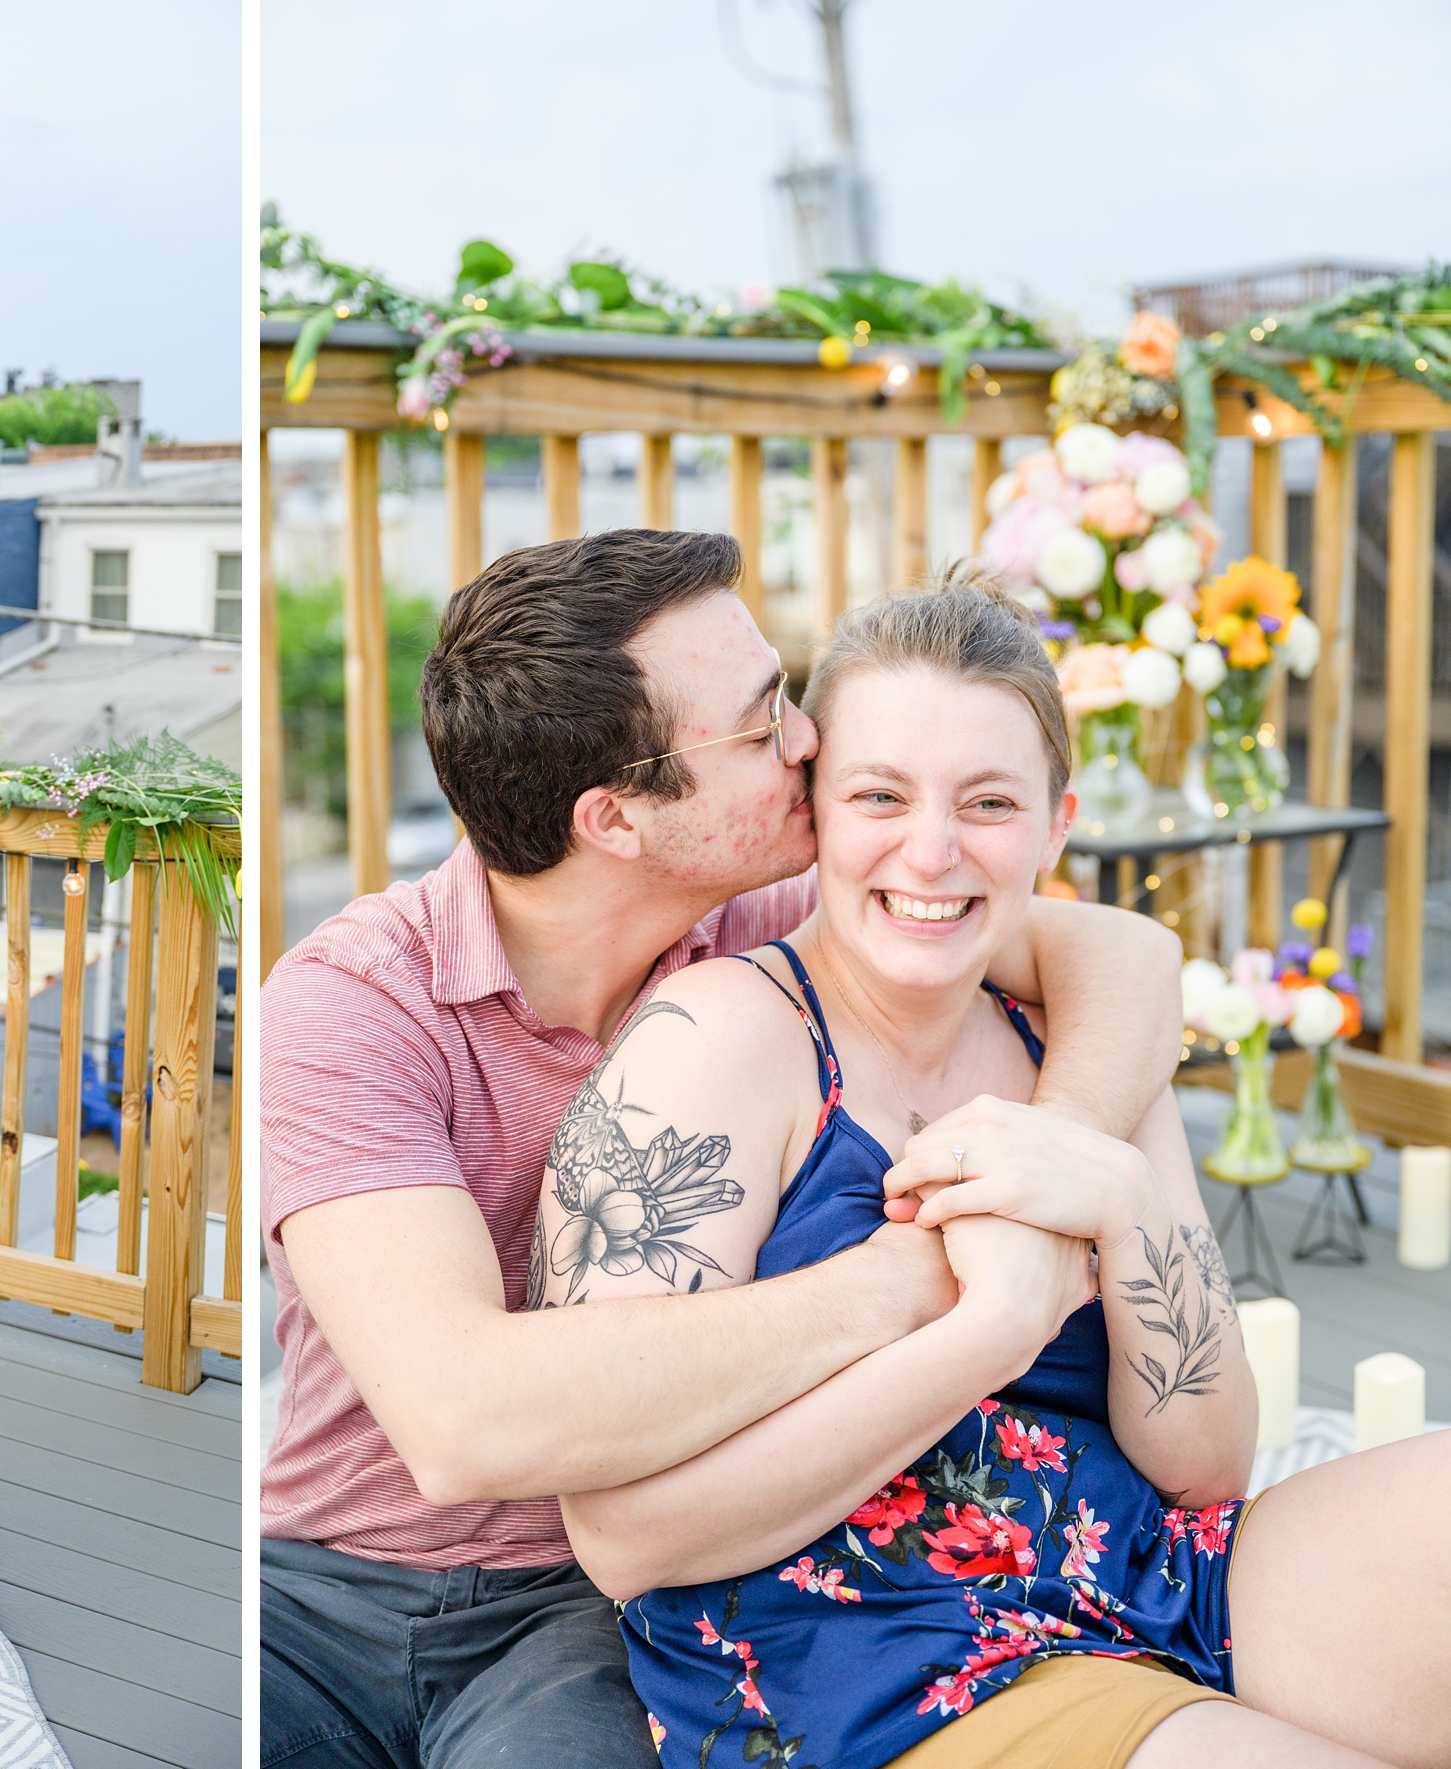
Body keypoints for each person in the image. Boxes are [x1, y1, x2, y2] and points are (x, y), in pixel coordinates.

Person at [259, 529, 1185, 1769]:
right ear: (617, 817)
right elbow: (464, 1421)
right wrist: (914, 1283)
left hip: (598, 1605)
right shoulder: (352, 1008)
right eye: (762, 725)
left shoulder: (770, 917)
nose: (808, 741)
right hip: (321, 1588)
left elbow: (1126, 956)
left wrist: (1044, 1167)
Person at [540, 572, 1451, 1769]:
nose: (934, 849)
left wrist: (1117, 1198)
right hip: (865, 1659)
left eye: (987, 801)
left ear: (1057, 823)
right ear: (814, 807)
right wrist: (992, 1327)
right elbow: (625, 1536)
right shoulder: (720, 1043)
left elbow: (1209, 1463)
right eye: (881, 794)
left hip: (1148, 1573)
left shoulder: (1064, 1038)